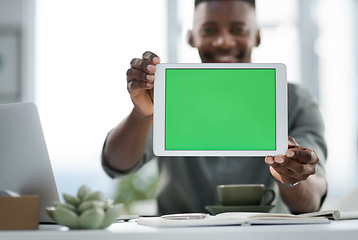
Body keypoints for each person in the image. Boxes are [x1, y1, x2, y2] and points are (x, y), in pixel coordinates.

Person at [102, 0, 328, 215]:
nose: (223, 41)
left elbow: (312, 199)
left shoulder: (296, 101)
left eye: (238, 30)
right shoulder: (167, 95)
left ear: (257, 36)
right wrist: (142, 114)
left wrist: (293, 174)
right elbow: (116, 164)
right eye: (209, 30)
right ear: (191, 37)